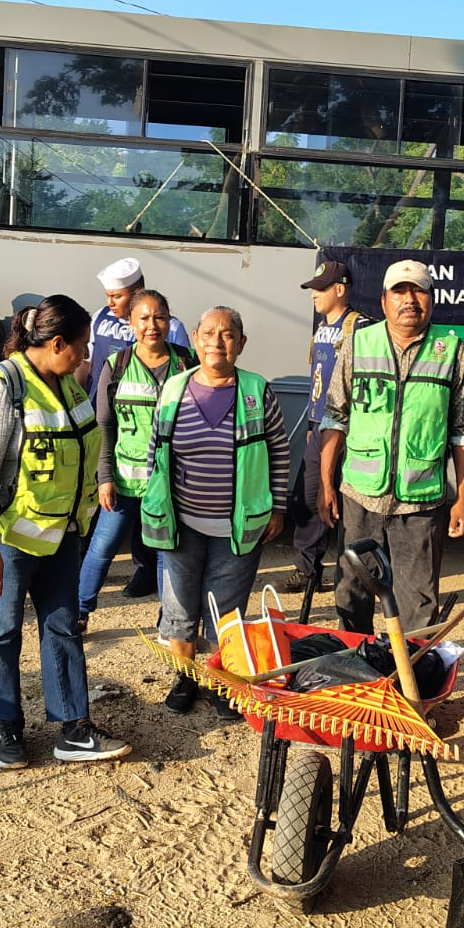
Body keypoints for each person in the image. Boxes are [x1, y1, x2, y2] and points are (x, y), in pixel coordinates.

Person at [0, 295, 130, 769]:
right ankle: (5, 726)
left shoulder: (69, 386)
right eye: (81, 345)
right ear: (57, 343)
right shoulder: (4, 387)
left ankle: (74, 729)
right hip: (11, 541)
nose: (85, 355)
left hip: (63, 537)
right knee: (2, 633)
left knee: (63, 628)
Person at [142, 305, 290, 715]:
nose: (217, 342)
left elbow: (279, 451)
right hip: (180, 523)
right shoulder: (174, 389)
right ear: (195, 338)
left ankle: (223, 682)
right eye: (208, 333)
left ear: (241, 343)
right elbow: (156, 452)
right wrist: (154, 504)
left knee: (227, 609)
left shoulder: (257, 391)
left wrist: (278, 506)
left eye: (227, 334)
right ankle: (186, 677)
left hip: (238, 526)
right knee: (180, 608)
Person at [318, 260, 464, 635]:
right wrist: (326, 485)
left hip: (420, 503)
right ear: (384, 300)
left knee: (417, 605)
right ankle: (355, 663)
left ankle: (409, 668)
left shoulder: (451, 351)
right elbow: (335, 418)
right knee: (351, 595)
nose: (409, 300)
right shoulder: (358, 343)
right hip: (361, 498)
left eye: (418, 291)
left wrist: (461, 499)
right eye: (399, 292)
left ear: (431, 300)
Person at [76, 288, 195, 633]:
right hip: (124, 481)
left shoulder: (187, 364)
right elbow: (104, 425)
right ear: (130, 322)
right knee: (102, 547)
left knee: (164, 552)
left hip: (169, 483)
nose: (152, 325)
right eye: (144, 318)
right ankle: (79, 611)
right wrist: (104, 477)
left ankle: (169, 620)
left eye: (160, 317)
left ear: (170, 320)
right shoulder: (117, 365)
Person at [278, 260, 363, 595]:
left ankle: (353, 574)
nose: (314, 295)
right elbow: (318, 378)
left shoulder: (358, 327)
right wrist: (312, 423)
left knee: (349, 503)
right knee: (308, 497)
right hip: (319, 425)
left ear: (340, 289)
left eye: (320, 288)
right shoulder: (321, 328)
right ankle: (307, 570)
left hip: (348, 428)